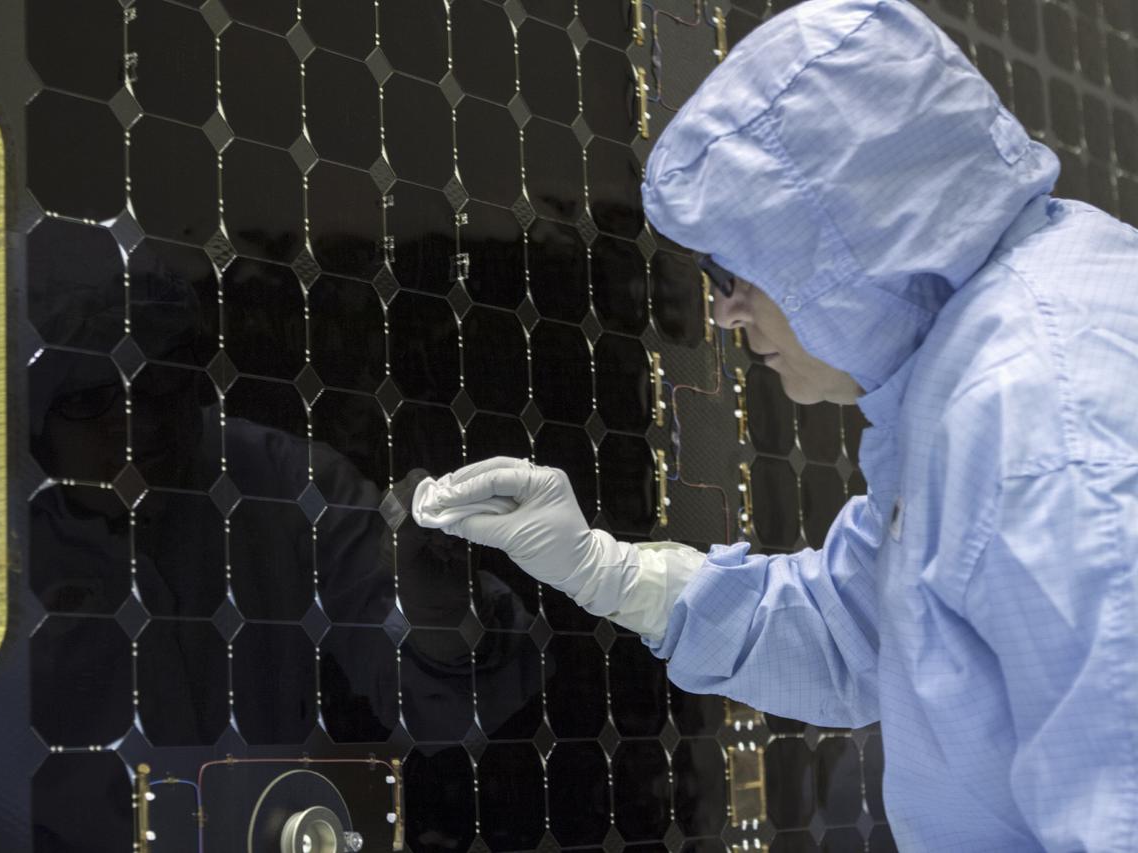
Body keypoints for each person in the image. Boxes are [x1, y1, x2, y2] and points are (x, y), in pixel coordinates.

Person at [411, 0, 1138, 850]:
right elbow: (855, 626)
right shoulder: (984, 366)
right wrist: (602, 570)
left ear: (839, 234)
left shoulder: (1041, 427)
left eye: (735, 270)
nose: (724, 313)